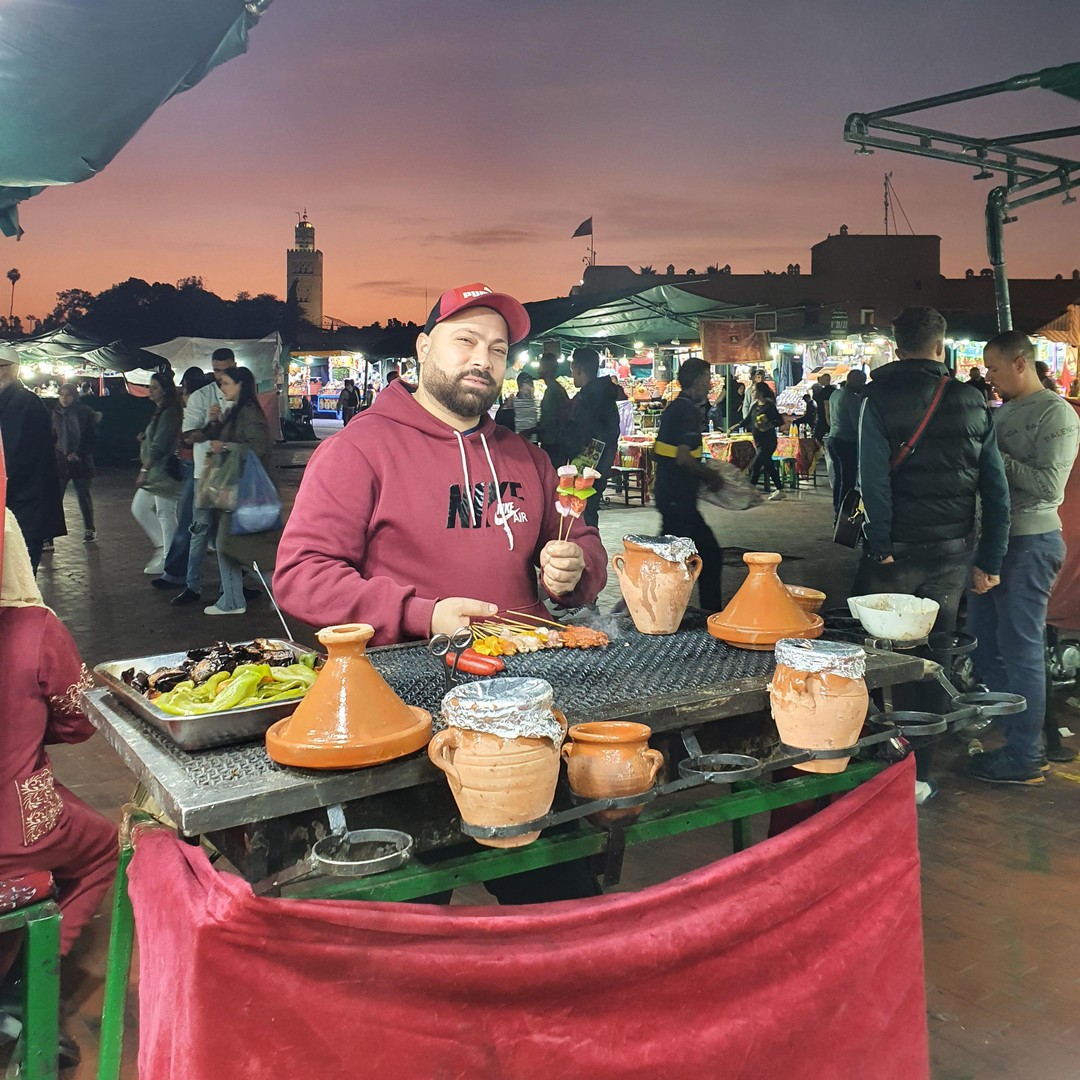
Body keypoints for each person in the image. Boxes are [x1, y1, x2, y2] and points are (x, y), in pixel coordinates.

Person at [855, 306, 1010, 801]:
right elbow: (996, 489)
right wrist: (991, 557)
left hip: (895, 552)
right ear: (940, 345)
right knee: (931, 652)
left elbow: (872, 480)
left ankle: (874, 757)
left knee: (872, 652)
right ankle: (918, 772)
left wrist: (878, 543)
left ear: (896, 346)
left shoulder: (875, 398)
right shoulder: (972, 400)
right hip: (949, 551)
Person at [0, 508, 118, 1065]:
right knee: (103, 850)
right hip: (15, 828)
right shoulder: (33, 628)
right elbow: (80, 721)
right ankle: (26, 995)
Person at [965, 331, 1080, 785]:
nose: (988, 377)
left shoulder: (1056, 414)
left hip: (1030, 543)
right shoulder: (1006, 410)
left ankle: (1025, 755)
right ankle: (1016, 733)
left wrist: (991, 456)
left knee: (1022, 648)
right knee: (985, 642)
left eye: (993, 368)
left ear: (1020, 362)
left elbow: (1050, 486)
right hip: (995, 541)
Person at [653, 357, 724, 610]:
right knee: (709, 556)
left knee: (672, 557)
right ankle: (709, 614)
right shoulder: (687, 411)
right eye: (707, 378)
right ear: (695, 381)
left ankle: (656, 607)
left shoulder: (677, 408)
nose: (710, 384)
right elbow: (683, 457)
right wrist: (710, 476)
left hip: (672, 496)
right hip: (678, 500)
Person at [202, 366, 273, 615]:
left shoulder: (249, 412)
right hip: (237, 488)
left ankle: (235, 600)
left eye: (226, 383)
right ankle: (235, 599)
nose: (222, 388)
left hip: (244, 489)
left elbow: (259, 446)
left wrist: (227, 446)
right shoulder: (236, 411)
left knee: (230, 545)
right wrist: (215, 424)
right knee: (234, 546)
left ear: (241, 385)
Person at [172, 349, 235, 607]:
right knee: (200, 529)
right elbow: (187, 436)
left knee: (228, 532)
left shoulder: (240, 394)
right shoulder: (202, 396)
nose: (221, 375)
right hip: (205, 474)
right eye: (217, 370)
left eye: (225, 370)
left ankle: (231, 587)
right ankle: (192, 585)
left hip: (231, 472)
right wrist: (212, 427)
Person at [0, 345, 66, 571]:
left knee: (19, 584)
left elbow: (12, 459)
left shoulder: (22, 403)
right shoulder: (15, 401)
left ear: (9, 369)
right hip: (19, 509)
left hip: (24, 511)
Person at [153, 367, 211, 590]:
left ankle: (177, 573)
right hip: (192, 467)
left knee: (188, 521)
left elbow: (188, 439)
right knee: (198, 525)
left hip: (197, 469)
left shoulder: (196, 412)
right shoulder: (189, 410)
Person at [131, 370, 183, 576]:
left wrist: (145, 468)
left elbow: (160, 444)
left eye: (154, 388)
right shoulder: (162, 411)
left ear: (164, 391)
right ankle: (164, 549)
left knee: (164, 513)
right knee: (141, 508)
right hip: (157, 472)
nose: (150, 391)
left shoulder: (169, 412)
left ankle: (169, 556)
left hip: (162, 472)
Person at [564, 347, 620, 528]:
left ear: (578, 369)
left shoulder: (590, 398)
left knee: (582, 517)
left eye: (572, 370)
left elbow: (581, 435)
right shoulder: (605, 396)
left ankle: (590, 553)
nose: (572, 374)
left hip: (586, 470)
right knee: (587, 513)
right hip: (600, 466)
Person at [51, 382, 99, 542]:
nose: (64, 398)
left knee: (83, 495)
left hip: (81, 461)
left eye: (68, 395)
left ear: (74, 396)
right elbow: (53, 436)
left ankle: (89, 528)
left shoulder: (85, 413)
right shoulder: (56, 413)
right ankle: (49, 535)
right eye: (62, 394)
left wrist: (78, 453)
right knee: (55, 497)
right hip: (61, 461)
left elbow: (90, 437)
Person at [825, 369, 867, 519]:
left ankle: (837, 509)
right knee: (847, 480)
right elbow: (858, 424)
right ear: (855, 381)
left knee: (838, 478)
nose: (863, 385)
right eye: (862, 382)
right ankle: (844, 513)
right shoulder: (851, 398)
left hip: (833, 439)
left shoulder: (835, 394)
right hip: (846, 441)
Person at [744, 381, 786, 497]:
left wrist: (766, 425)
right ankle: (780, 489)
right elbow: (747, 420)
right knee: (768, 465)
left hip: (768, 442)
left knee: (756, 464)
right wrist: (734, 427)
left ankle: (750, 491)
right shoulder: (755, 406)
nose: (752, 393)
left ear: (760, 392)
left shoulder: (769, 406)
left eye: (754, 391)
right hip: (758, 441)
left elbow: (779, 421)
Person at [535, 350, 570, 467]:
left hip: (554, 443)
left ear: (547, 368)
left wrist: (531, 430)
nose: (538, 369)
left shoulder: (553, 391)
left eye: (540, 365)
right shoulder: (556, 389)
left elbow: (548, 421)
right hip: (557, 442)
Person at [510, 370, 539, 441]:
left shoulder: (537, 404)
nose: (531, 388)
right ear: (520, 388)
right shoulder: (511, 405)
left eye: (531, 385)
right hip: (518, 442)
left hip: (533, 443)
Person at [810, 373, 836, 446]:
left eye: (821, 379)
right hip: (833, 418)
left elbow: (825, 405)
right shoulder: (834, 391)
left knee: (816, 438)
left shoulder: (823, 392)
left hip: (823, 418)